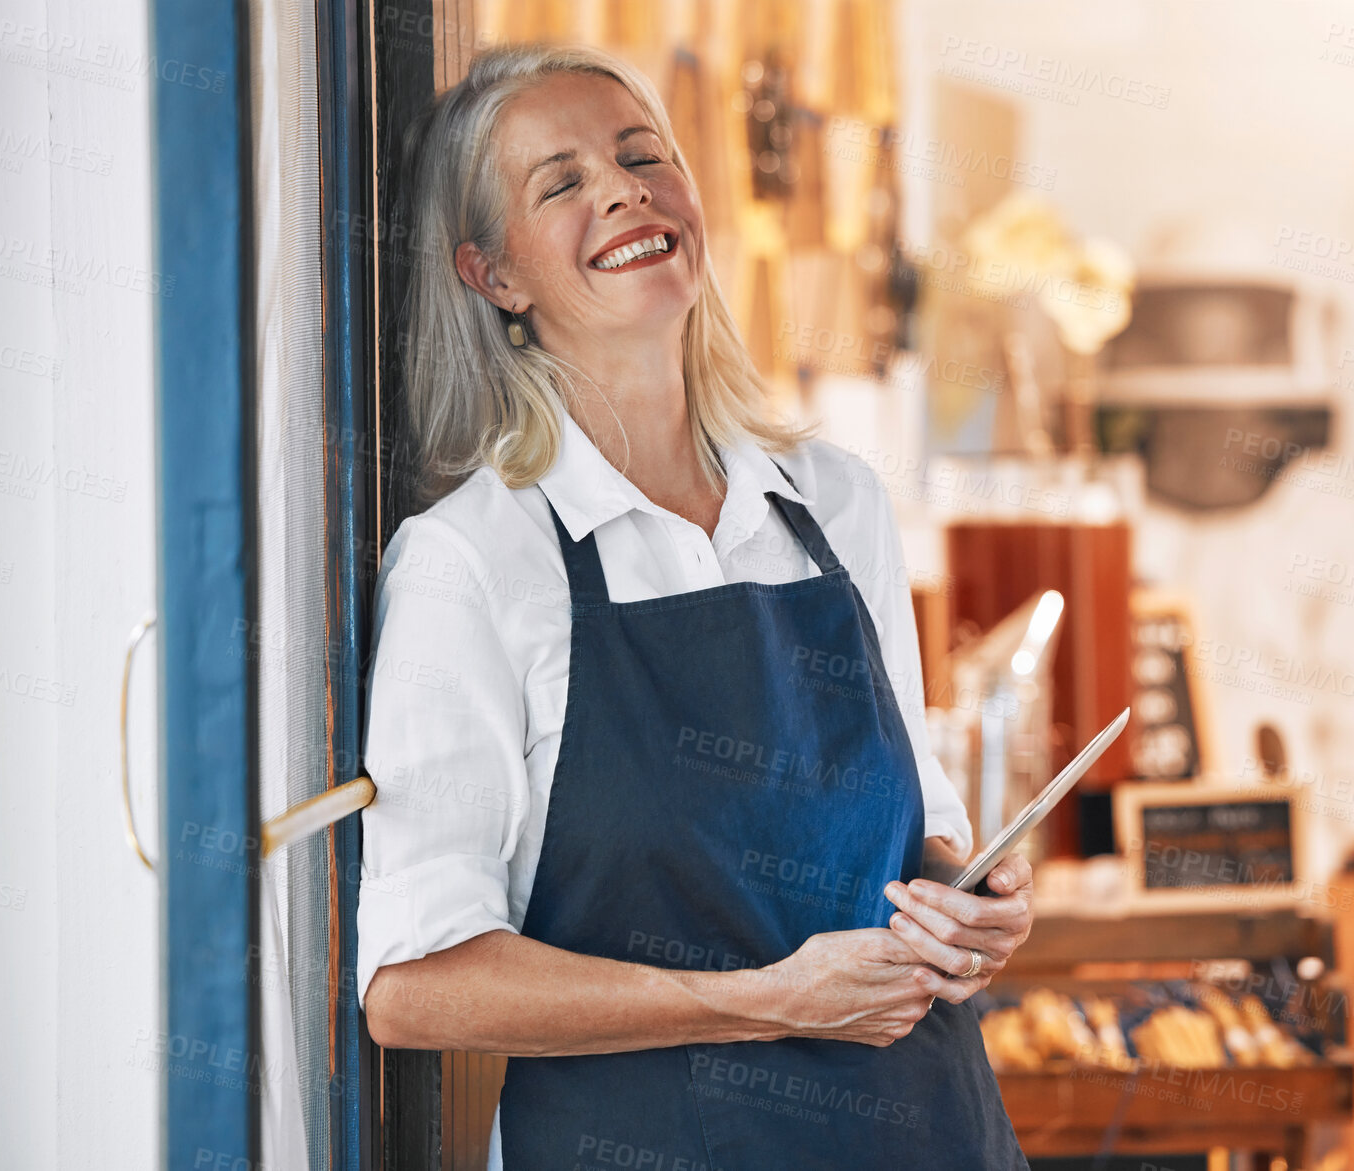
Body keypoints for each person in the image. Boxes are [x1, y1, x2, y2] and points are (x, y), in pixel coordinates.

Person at [355, 43, 1032, 1169]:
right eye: (559, 182)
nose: (623, 189)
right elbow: (415, 988)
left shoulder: (834, 503)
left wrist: (969, 899)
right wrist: (767, 1002)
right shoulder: (474, 561)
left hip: (928, 1130)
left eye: (640, 156)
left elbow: (916, 822)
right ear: (493, 276)